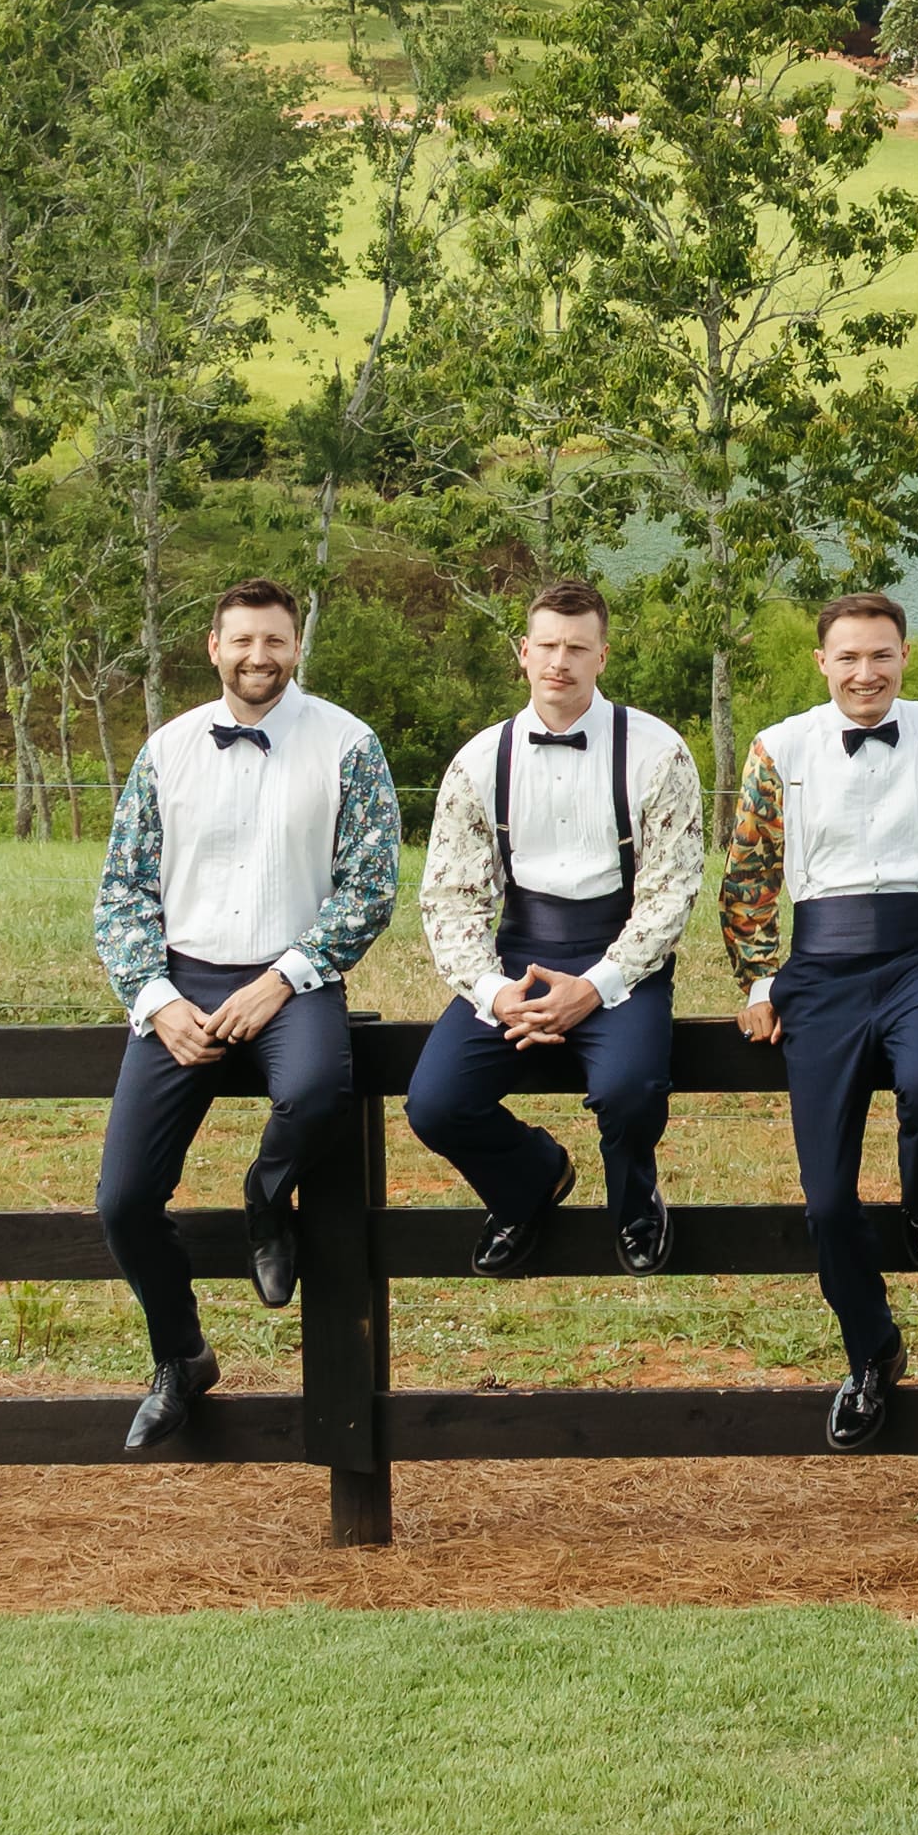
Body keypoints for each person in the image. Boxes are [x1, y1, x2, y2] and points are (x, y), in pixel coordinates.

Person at [92, 575, 402, 1453]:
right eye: (242, 641)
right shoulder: (168, 749)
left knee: (313, 1093)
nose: (258, 657)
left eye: (275, 641)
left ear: (296, 646)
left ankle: (268, 1201)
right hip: (181, 977)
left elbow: (370, 887)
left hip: (293, 976)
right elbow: (120, 896)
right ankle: (180, 1355)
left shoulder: (348, 744)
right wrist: (156, 1001)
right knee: (122, 1199)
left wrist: (281, 978)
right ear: (213, 648)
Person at [724, 591, 918, 1446]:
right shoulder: (778, 746)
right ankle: (869, 1350)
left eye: (880, 655)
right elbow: (746, 877)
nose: (865, 672)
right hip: (820, 968)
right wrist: (759, 978)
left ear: (904, 657)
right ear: (822, 663)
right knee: (824, 1201)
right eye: (848, 657)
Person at [405, 577, 701, 1276]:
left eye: (576, 647)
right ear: (523, 653)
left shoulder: (657, 752)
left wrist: (594, 987)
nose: (559, 662)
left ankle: (635, 1201)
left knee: (630, 1093)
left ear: (602, 656)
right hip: (516, 959)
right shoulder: (479, 761)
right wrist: (493, 991)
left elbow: (671, 892)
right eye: (546, 646)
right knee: (435, 1104)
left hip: (621, 960)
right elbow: (450, 898)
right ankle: (527, 1182)